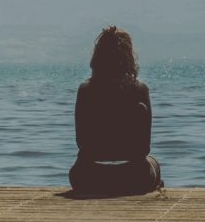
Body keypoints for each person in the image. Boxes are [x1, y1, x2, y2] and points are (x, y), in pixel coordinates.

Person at [69, 26, 163, 195]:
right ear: (129, 58)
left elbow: (80, 142)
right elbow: (145, 148)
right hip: (134, 176)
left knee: (77, 172)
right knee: (153, 162)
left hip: (88, 176)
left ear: (97, 57)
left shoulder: (85, 91)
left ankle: (106, 182)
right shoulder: (140, 90)